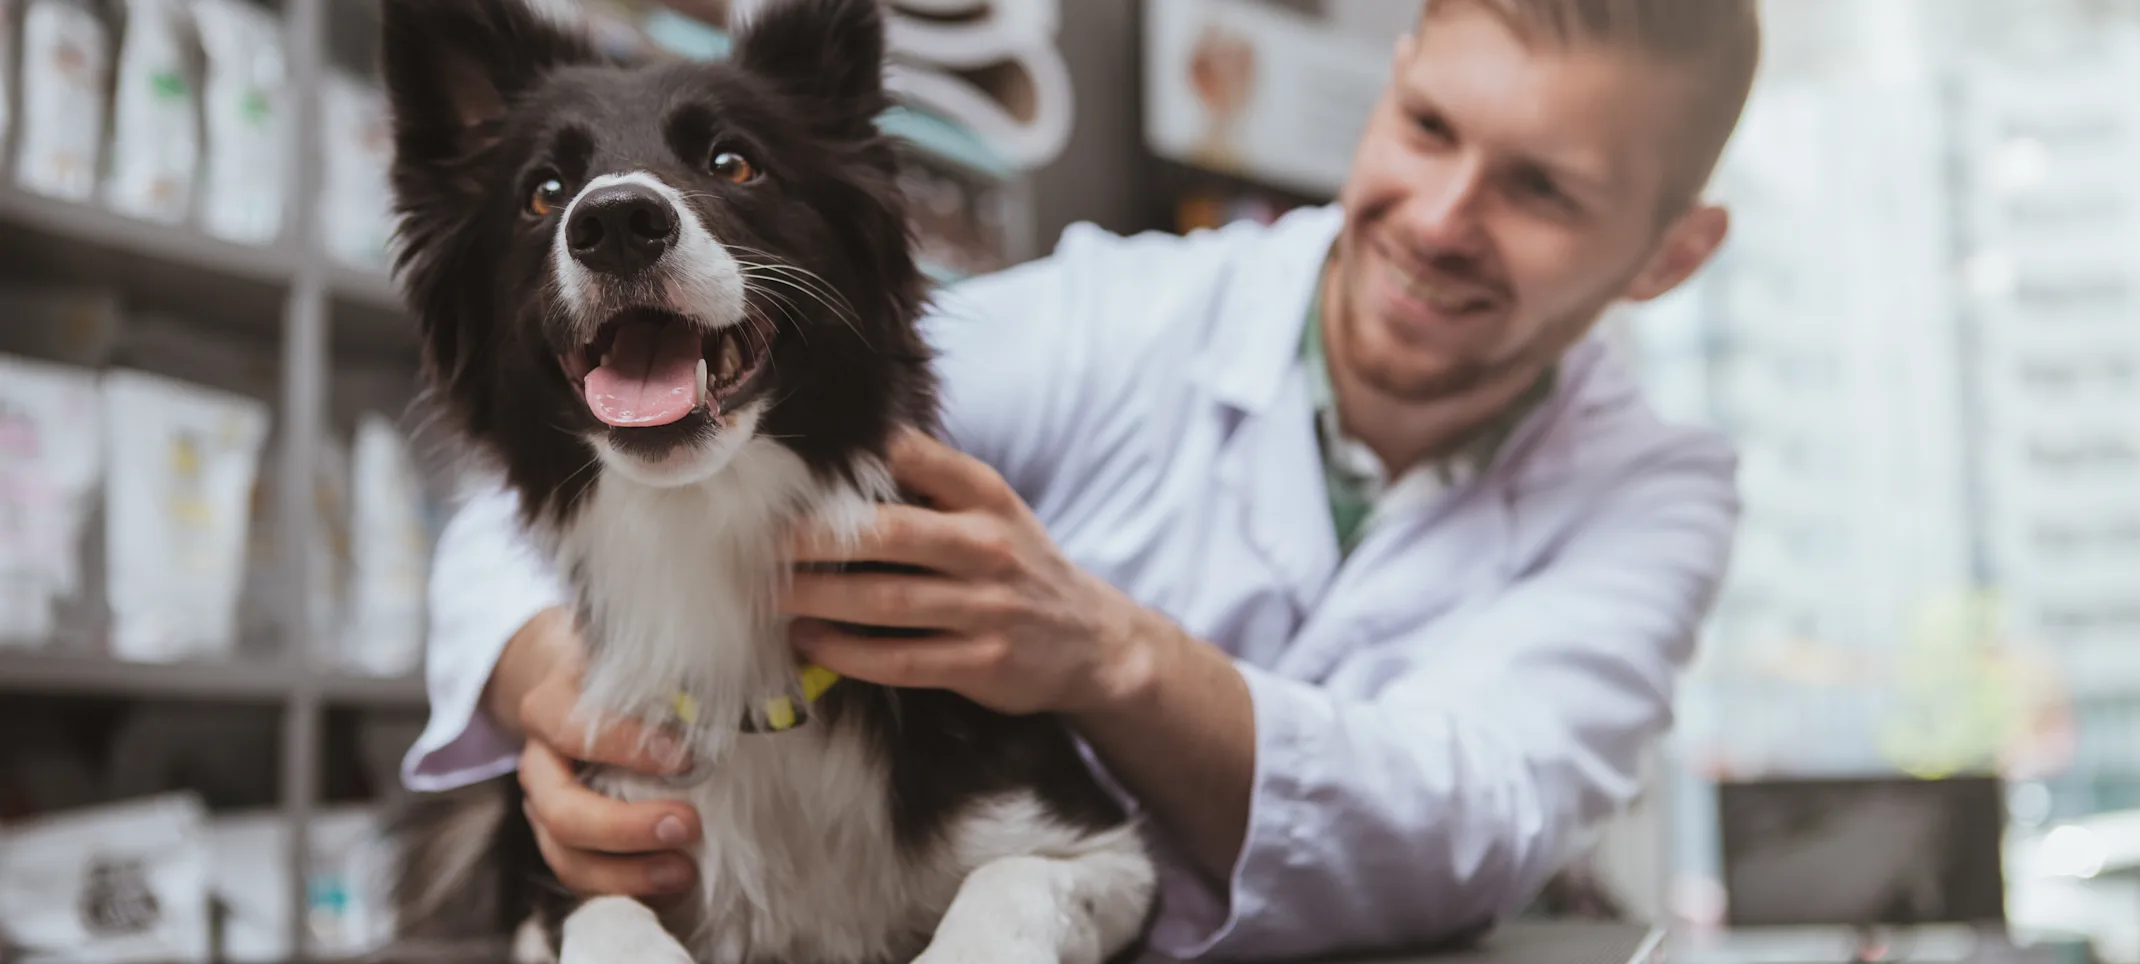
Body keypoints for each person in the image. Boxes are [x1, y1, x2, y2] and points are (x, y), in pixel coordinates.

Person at [402, 0, 1759, 959]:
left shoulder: (1655, 495)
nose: (1443, 215)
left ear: (1668, 256)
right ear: (1393, 76)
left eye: (1542, 191)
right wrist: (552, 684)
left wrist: (1107, 655)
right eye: (1426, 125)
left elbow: (1475, 818)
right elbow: (544, 484)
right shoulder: (1120, 313)